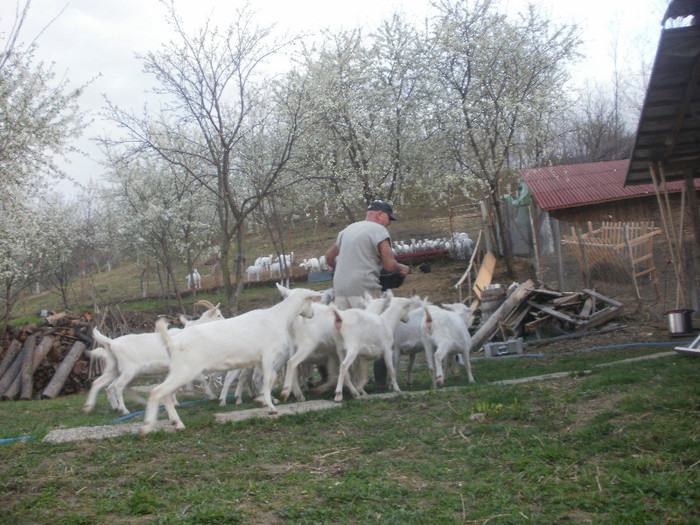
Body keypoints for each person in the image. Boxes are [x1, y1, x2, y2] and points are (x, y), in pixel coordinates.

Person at [324, 200, 410, 389]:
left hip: (340, 290)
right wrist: (401, 268)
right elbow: (388, 265)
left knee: (348, 336)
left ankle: (352, 383)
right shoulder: (379, 231)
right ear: (380, 214)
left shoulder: (347, 230)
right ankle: (380, 383)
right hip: (364, 290)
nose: (388, 222)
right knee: (381, 332)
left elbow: (329, 257)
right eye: (388, 218)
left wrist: (343, 270)